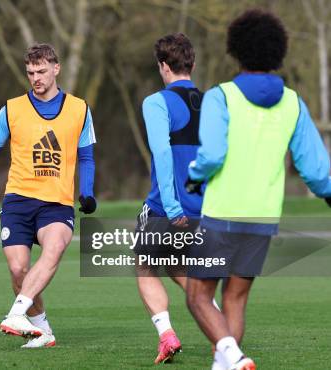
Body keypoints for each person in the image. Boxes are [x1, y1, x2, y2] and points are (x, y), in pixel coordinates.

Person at [184, 9, 331, 370]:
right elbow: (315, 168)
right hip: (263, 217)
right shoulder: (293, 102)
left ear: (236, 50)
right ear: (277, 52)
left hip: (222, 214)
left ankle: (233, 357)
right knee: (235, 299)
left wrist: (195, 174)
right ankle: (227, 364)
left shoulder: (222, 96)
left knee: (198, 297)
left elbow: (213, 154)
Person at [0, 43, 96, 348]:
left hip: (57, 203)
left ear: (56, 69)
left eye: (41, 71)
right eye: (30, 72)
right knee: (18, 269)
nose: (35, 77)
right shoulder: (11, 109)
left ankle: (15, 314)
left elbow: (86, 157)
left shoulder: (79, 109)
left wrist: (86, 192)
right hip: (18, 199)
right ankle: (44, 331)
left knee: (54, 249)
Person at [134, 32, 210, 364]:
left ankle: (166, 334)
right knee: (174, 261)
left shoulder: (157, 102)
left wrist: (173, 206)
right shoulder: (212, 103)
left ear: (164, 66)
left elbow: (162, 154)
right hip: (206, 209)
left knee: (144, 261)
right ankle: (217, 319)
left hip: (168, 207)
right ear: (191, 64)